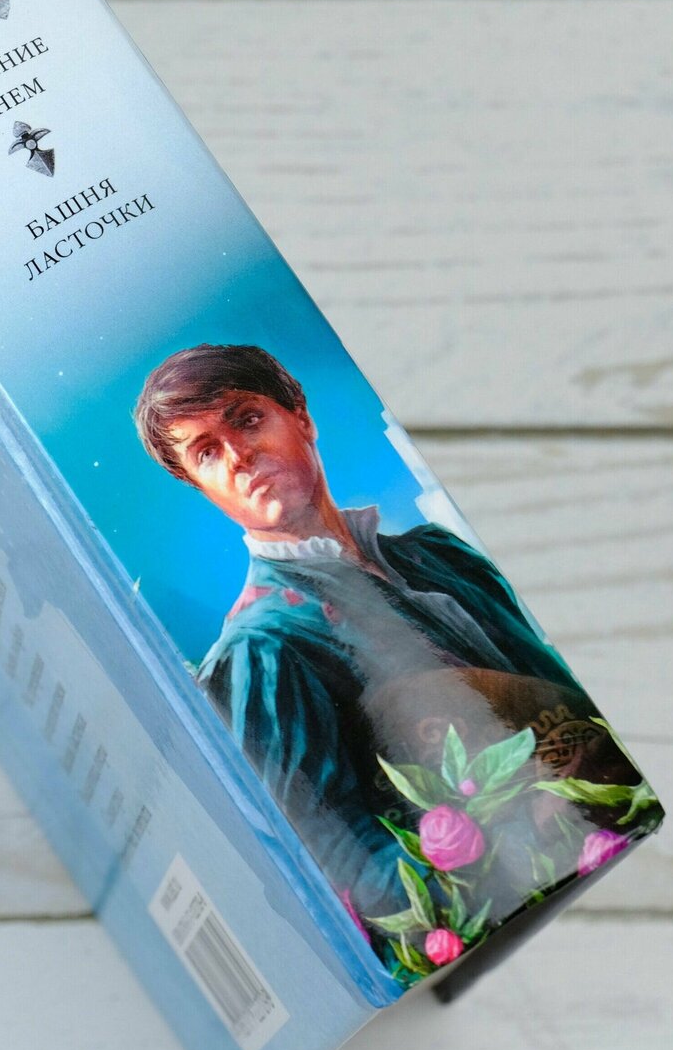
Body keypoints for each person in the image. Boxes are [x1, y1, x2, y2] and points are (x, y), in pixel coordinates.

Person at [133, 343, 624, 917]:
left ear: (301, 416)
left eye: (247, 419)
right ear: (200, 486)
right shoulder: (257, 652)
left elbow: (568, 694)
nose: (239, 456)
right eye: (207, 453)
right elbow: (343, 867)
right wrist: (516, 861)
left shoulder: (441, 554)